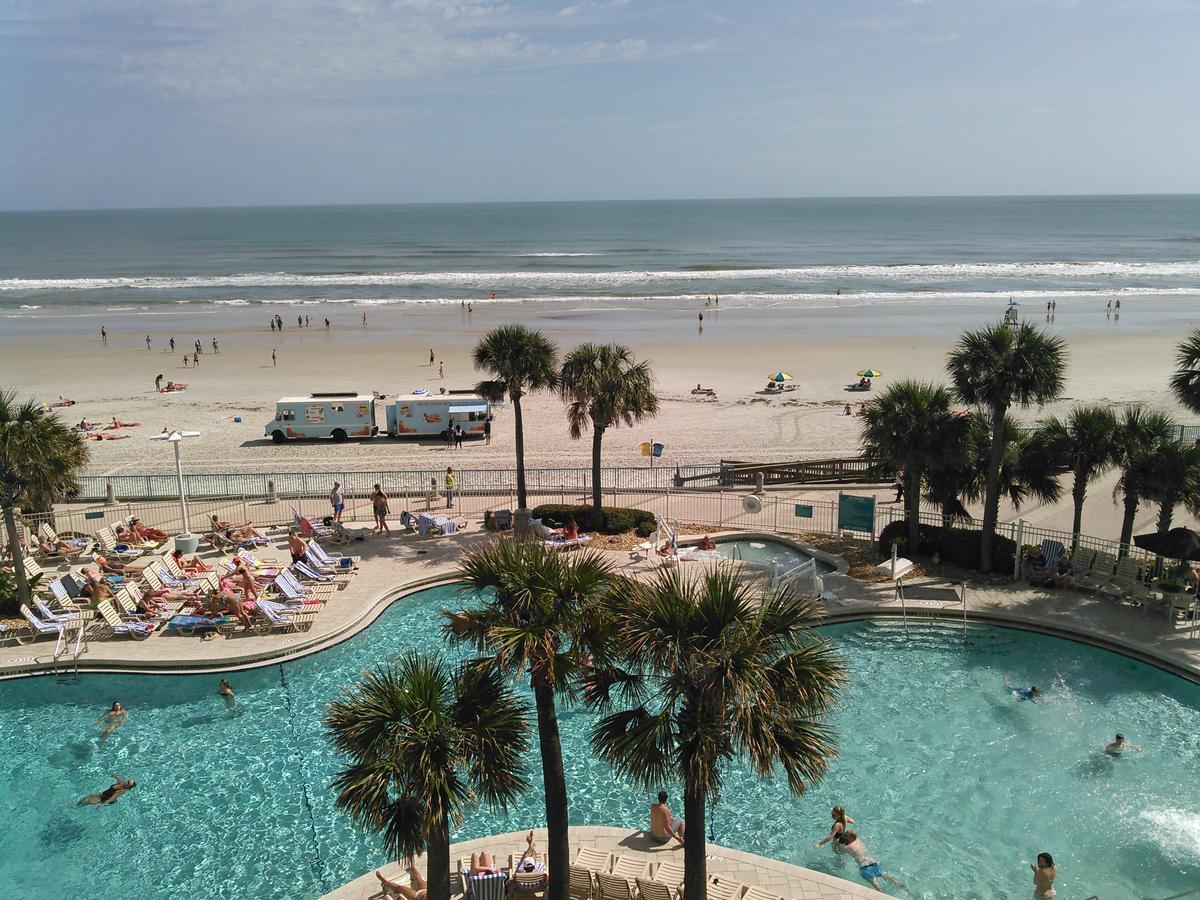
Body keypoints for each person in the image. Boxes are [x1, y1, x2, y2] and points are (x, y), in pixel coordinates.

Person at [836, 831, 904, 891]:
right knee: (888, 877)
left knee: (877, 887)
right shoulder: (859, 841)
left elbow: (840, 851)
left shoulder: (848, 847)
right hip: (874, 863)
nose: (844, 835)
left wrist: (837, 843)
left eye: (845, 834)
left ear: (850, 838)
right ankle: (904, 888)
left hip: (865, 868)